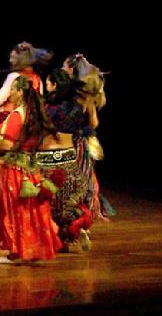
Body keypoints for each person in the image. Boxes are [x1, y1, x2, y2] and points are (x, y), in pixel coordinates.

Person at [0, 76, 62, 263]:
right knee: (29, 210)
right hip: (29, 170)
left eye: (12, 89)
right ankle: (31, 249)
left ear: (20, 92)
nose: (9, 93)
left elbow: (7, 144)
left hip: (13, 172)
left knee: (13, 210)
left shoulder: (17, 115)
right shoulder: (33, 115)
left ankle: (15, 252)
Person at [37, 69, 94, 252]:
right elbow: (90, 127)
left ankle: (51, 240)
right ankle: (75, 229)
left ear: (54, 85)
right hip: (70, 160)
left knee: (47, 204)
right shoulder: (76, 108)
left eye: (47, 84)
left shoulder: (46, 108)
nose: (46, 88)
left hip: (47, 163)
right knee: (65, 205)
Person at [62, 53, 114, 221]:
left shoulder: (78, 95)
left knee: (76, 181)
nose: (62, 69)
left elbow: (93, 123)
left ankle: (77, 217)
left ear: (71, 69)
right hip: (73, 142)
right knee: (79, 180)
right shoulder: (75, 94)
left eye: (64, 66)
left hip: (74, 144)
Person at [0, 42, 52, 134]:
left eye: (13, 58)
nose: (10, 60)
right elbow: (40, 103)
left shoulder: (14, 76)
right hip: (31, 122)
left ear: (20, 60)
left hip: (9, 120)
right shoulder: (38, 78)